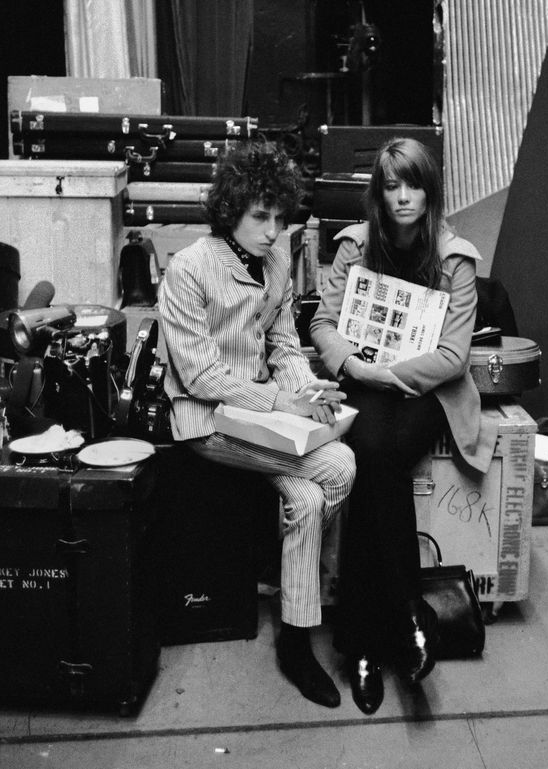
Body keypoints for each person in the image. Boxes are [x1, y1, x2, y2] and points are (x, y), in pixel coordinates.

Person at [158, 142, 356, 709]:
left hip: (266, 416)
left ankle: (295, 639)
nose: (273, 232)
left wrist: (305, 388)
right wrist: (284, 404)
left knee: (311, 501)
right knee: (339, 465)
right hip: (209, 421)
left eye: (280, 218)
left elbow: (283, 341)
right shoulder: (190, 269)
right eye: (260, 218)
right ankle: (285, 581)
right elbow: (202, 378)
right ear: (230, 212)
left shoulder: (275, 262)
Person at [310, 137, 498, 715]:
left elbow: (454, 355)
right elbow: (322, 322)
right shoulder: (354, 246)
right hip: (365, 381)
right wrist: (359, 366)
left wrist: (390, 373)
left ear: (430, 190)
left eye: (413, 184)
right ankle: (409, 615)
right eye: (391, 186)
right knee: (370, 451)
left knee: (382, 455)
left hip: (428, 389)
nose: (402, 197)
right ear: (378, 193)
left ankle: (360, 645)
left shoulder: (454, 257)